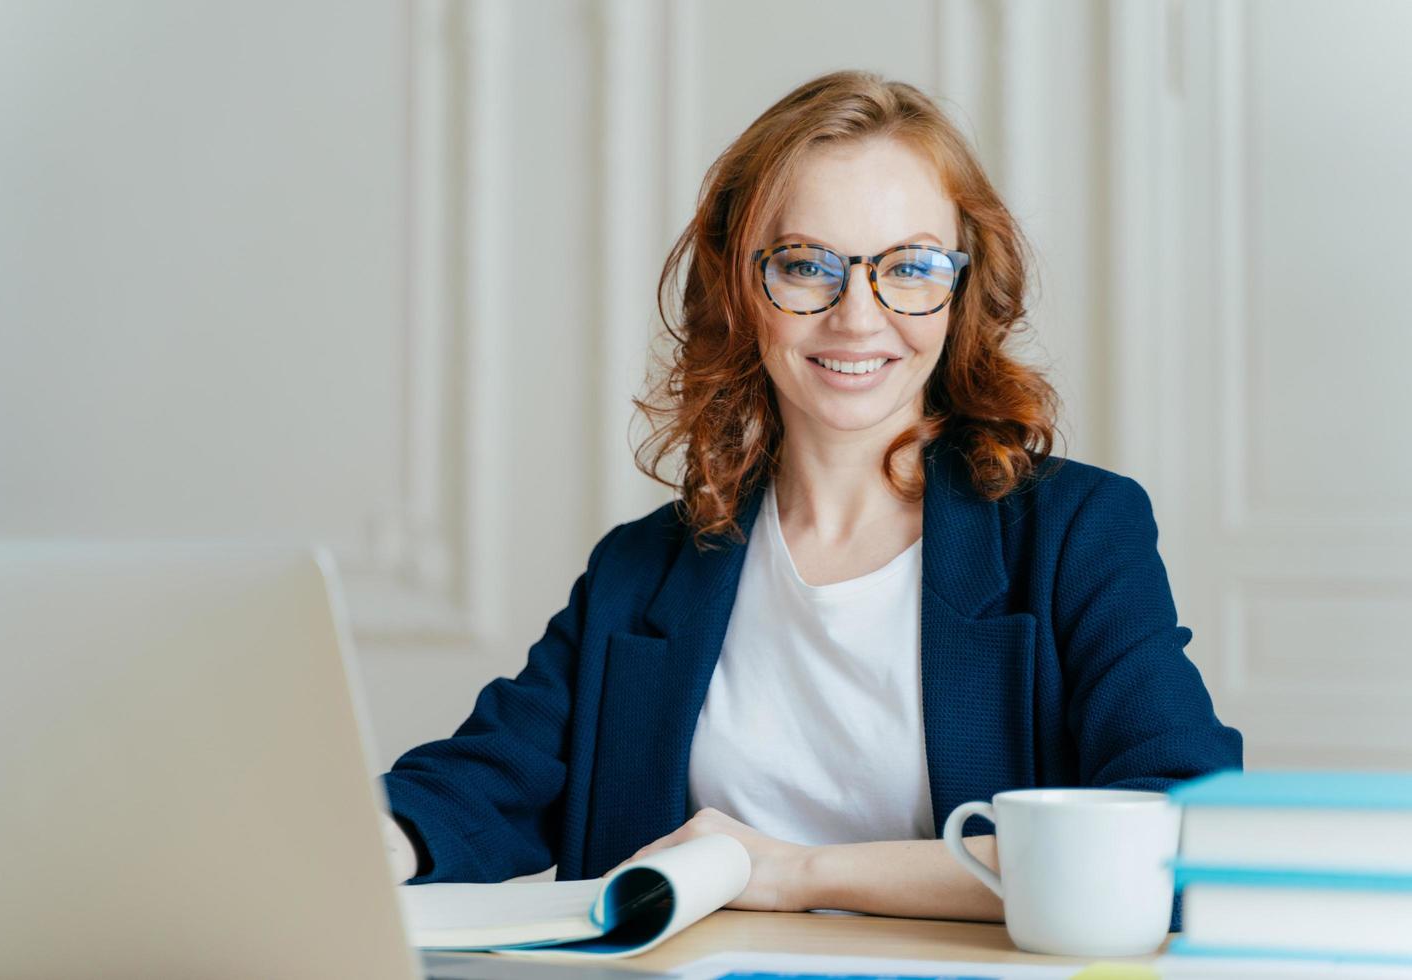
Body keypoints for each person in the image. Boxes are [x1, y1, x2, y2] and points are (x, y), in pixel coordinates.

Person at [377, 70, 1242, 925]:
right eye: (804, 265)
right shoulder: (643, 569)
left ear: (962, 286)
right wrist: (374, 841)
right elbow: (484, 785)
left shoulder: (1075, 534)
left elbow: (1177, 834)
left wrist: (801, 874)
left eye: (909, 266)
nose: (858, 317)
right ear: (739, 287)